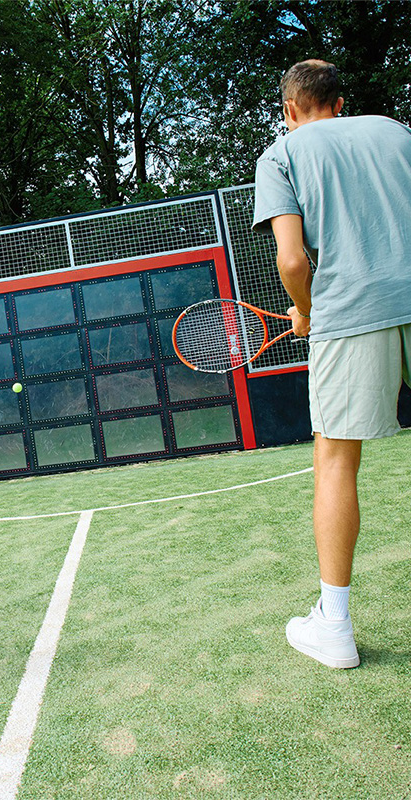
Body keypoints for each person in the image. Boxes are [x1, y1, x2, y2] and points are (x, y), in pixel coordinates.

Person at [252, 60, 411, 668]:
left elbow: (293, 261)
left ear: (290, 109)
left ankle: (335, 627)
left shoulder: (281, 155)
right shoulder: (396, 131)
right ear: (338, 102)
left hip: (349, 311)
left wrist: (304, 310)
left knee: (336, 456)